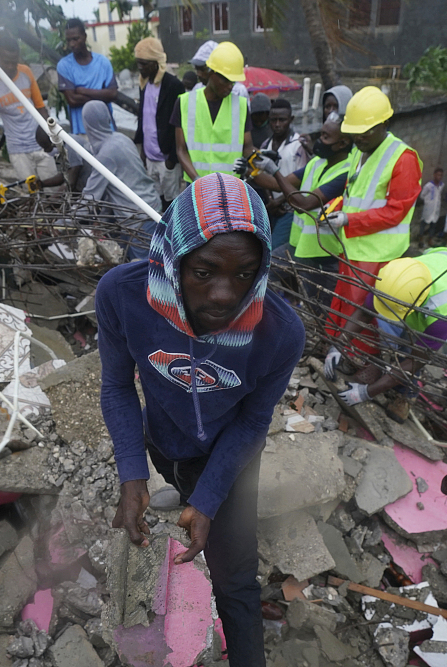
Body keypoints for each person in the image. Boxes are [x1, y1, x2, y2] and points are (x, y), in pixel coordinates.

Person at [99, 173, 305, 667]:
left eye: (243, 274)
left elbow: (254, 422)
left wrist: (211, 497)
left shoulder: (279, 332)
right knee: (179, 481)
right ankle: (184, 490)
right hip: (163, 441)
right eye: (203, 272)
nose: (222, 295)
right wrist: (132, 476)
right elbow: (117, 386)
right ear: (175, 259)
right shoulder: (124, 296)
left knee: (235, 577)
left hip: (230, 452)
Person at [325, 248, 447, 422]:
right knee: (410, 337)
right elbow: (365, 311)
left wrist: (367, 392)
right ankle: (405, 391)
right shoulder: (395, 280)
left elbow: (418, 357)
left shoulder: (444, 310)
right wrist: (338, 346)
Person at [322, 86, 423, 368]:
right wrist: (338, 210)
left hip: (377, 254)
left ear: (385, 124)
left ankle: (359, 362)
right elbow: (354, 192)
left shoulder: (403, 158)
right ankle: (339, 351)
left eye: (365, 131)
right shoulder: (359, 151)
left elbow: (396, 211)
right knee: (344, 304)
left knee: (363, 312)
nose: (359, 137)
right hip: (352, 247)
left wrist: (349, 220)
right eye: (355, 131)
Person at [240, 112, 355, 302]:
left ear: (342, 144)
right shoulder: (316, 163)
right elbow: (278, 184)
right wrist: (250, 170)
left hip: (325, 256)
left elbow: (304, 204)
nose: (318, 140)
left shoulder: (346, 172)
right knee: (262, 274)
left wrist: (274, 170)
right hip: (300, 247)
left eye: (325, 137)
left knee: (320, 309)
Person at [0, 33, 55, 185]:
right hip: (18, 150)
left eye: (14, 62)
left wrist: (53, 135)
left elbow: (40, 107)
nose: (10, 67)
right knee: (32, 194)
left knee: (55, 192)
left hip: (41, 146)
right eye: (6, 62)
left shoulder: (26, 72)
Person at [79, 102, 161, 260]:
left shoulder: (106, 154)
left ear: (87, 124)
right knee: (126, 256)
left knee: (143, 268)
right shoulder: (121, 139)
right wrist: (102, 221)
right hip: (150, 208)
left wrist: (61, 223)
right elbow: (113, 189)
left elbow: (90, 198)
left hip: (138, 219)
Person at [173, 41, 254, 183]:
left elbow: (247, 148)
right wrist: (197, 180)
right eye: (225, 80)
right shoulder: (184, 103)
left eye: (233, 82)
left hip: (230, 187)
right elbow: (181, 150)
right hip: (195, 186)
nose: (229, 86)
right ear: (210, 72)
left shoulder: (241, 106)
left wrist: (258, 159)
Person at [133, 37, 185, 207]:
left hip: (166, 159)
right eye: (138, 63)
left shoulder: (173, 85)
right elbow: (143, 117)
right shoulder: (144, 84)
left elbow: (179, 123)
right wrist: (142, 150)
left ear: (156, 63)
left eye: (144, 63)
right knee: (155, 199)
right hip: (150, 157)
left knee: (172, 201)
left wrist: (172, 158)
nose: (140, 68)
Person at [259, 98, 309, 248]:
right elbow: (263, 176)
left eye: (282, 120)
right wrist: (270, 201)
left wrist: (278, 201)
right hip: (271, 209)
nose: (277, 124)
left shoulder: (298, 145)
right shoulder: (265, 145)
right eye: (273, 120)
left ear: (291, 119)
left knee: (273, 250)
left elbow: (302, 180)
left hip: (291, 208)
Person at [57, 18, 118, 135]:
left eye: (75, 39)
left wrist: (82, 90)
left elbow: (113, 94)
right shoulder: (64, 66)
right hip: (82, 132)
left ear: (84, 37)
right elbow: (73, 100)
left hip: (107, 130)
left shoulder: (103, 62)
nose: (72, 44)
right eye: (68, 40)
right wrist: (102, 97)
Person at [418, 168, 444, 240]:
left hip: (436, 209)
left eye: (441, 175)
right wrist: (428, 202)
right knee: (423, 223)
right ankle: (421, 239)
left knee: (433, 224)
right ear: (434, 175)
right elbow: (422, 196)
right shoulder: (428, 186)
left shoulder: (442, 185)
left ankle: (430, 239)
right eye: (438, 175)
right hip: (428, 209)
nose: (440, 177)